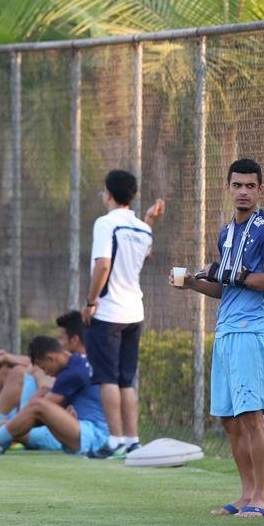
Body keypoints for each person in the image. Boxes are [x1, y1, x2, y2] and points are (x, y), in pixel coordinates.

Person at [170, 158, 264, 518]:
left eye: (250, 186)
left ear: (261, 189)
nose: (243, 192)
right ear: (228, 188)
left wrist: (229, 274)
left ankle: (263, 498)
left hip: (251, 332)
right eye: (237, 185)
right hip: (226, 332)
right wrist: (193, 283)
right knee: (229, 419)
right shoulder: (227, 232)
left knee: (251, 416)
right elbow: (227, 287)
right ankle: (246, 494)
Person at [82, 169, 165, 458]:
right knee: (126, 380)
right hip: (134, 312)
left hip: (108, 312)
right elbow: (145, 253)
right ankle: (132, 440)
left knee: (107, 378)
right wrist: (150, 220)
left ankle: (115, 440)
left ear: (108, 193)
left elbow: (103, 264)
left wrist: (90, 301)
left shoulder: (105, 223)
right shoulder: (142, 228)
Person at [0, 334, 110, 456]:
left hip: (94, 435)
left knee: (37, 405)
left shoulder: (71, 373)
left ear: (51, 358)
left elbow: (38, 413)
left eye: (44, 368)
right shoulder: (76, 363)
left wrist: (5, 424)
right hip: (83, 430)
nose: (46, 373)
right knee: (32, 410)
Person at [0, 311, 86, 438]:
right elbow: (40, 364)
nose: (58, 343)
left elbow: (41, 370)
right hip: (39, 407)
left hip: (54, 419)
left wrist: (38, 377)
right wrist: (8, 358)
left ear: (74, 340)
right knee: (3, 370)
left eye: (61, 338)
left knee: (19, 373)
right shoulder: (69, 359)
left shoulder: (80, 364)